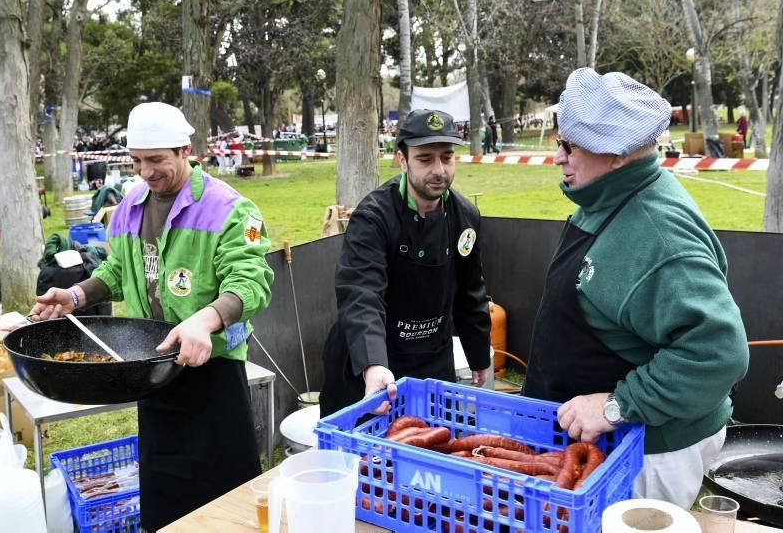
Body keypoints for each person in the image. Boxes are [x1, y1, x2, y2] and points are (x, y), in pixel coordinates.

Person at [30, 102, 274, 531]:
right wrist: (74, 294)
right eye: (137, 161)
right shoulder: (129, 207)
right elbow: (118, 270)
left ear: (185, 150)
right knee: (166, 494)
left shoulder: (232, 209)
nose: (145, 172)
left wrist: (206, 319)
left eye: (156, 160)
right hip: (152, 369)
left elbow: (251, 281)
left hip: (213, 372)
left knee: (226, 498)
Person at [522, 68, 749, 509]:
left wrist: (615, 405)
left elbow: (720, 353)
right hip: (594, 442)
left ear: (619, 154)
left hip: (649, 453)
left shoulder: (659, 237)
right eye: (559, 142)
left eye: (571, 146)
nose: (558, 157)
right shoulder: (605, 194)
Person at [319, 109, 492, 418]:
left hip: (432, 359)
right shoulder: (373, 218)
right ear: (402, 159)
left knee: (433, 442)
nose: (439, 170)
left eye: (447, 157)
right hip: (372, 358)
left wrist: (478, 355)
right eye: (425, 159)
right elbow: (361, 295)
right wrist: (373, 364)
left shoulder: (466, 217)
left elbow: (470, 292)